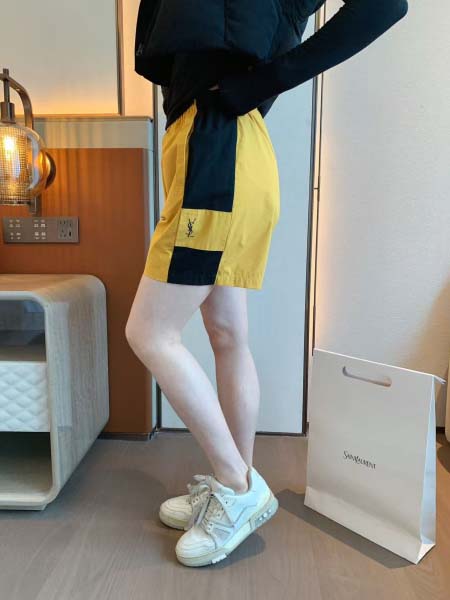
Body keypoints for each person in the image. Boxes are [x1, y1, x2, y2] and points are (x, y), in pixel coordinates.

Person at [126, 0, 409, 567]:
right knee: (227, 334)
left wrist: (263, 82)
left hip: (219, 149)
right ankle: (234, 483)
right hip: (208, 143)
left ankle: (238, 487)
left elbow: (385, 4)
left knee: (150, 333)